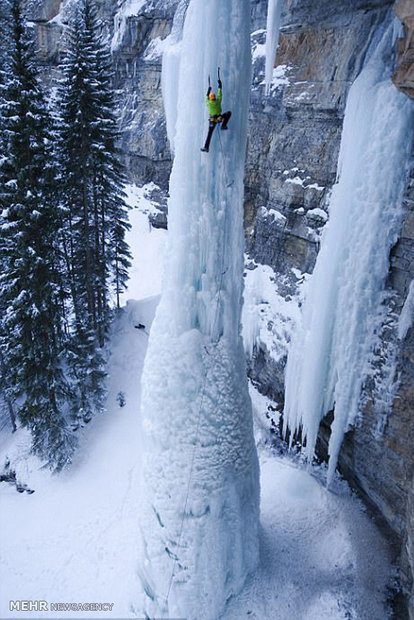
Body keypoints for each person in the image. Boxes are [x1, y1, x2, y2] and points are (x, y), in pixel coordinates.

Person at [201, 76, 232, 153]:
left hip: (212, 120)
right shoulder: (218, 101)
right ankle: (223, 125)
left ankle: (206, 147)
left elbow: (206, 98)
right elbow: (219, 95)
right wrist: (220, 86)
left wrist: (208, 91)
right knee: (228, 113)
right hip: (219, 118)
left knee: (209, 134)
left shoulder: (209, 103)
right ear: (214, 98)